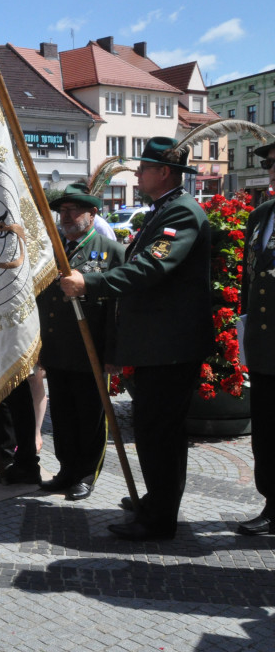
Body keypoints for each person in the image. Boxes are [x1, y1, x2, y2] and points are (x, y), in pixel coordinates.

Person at [60, 137, 211, 541]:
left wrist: (89, 284)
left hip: (171, 348)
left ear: (163, 173)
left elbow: (148, 270)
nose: (137, 174)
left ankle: (160, 518)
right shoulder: (164, 210)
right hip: (158, 347)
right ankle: (156, 501)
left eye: (143, 168)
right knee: (152, 430)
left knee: (160, 433)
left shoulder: (182, 213)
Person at [38, 182, 124, 502]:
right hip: (59, 349)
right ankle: (66, 469)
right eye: (62, 211)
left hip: (92, 351)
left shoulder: (110, 250)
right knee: (62, 415)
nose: (67, 216)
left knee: (90, 415)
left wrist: (114, 352)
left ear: (92, 213)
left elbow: (118, 309)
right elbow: (43, 301)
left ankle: (87, 473)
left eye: (74, 210)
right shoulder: (53, 250)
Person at [238, 141, 275, 535]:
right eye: (268, 163)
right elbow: (249, 278)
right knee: (266, 433)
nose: (271, 169)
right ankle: (272, 504)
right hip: (265, 348)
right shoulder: (261, 214)